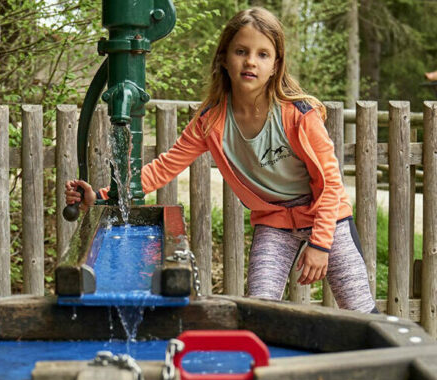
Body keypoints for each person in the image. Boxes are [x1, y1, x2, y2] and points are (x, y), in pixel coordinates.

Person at [66, 7, 377, 313]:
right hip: (274, 224)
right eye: (241, 51)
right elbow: (164, 167)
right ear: (225, 59)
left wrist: (321, 244)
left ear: (276, 65)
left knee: (360, 310)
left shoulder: (299, 116)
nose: (251, 61)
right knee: (260, 310)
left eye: (263, 54)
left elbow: (330, 182)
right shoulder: (211, 121)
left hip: (326, 217)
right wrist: (102, 197)